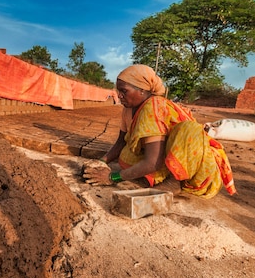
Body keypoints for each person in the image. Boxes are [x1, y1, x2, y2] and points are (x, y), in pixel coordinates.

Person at [82, 64, 235, 199]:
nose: (119, 95)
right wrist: (101, 161)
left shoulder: (154, 106)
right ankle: (153, 176)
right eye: (118, 91)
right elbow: (121, 142)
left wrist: (111, 177)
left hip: (195, 169)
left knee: (189, 129)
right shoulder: (128, 110)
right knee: (127, 153)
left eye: (124, 91)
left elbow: (152, 162)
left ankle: (174, 183)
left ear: (142, 90)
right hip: (161, 157)